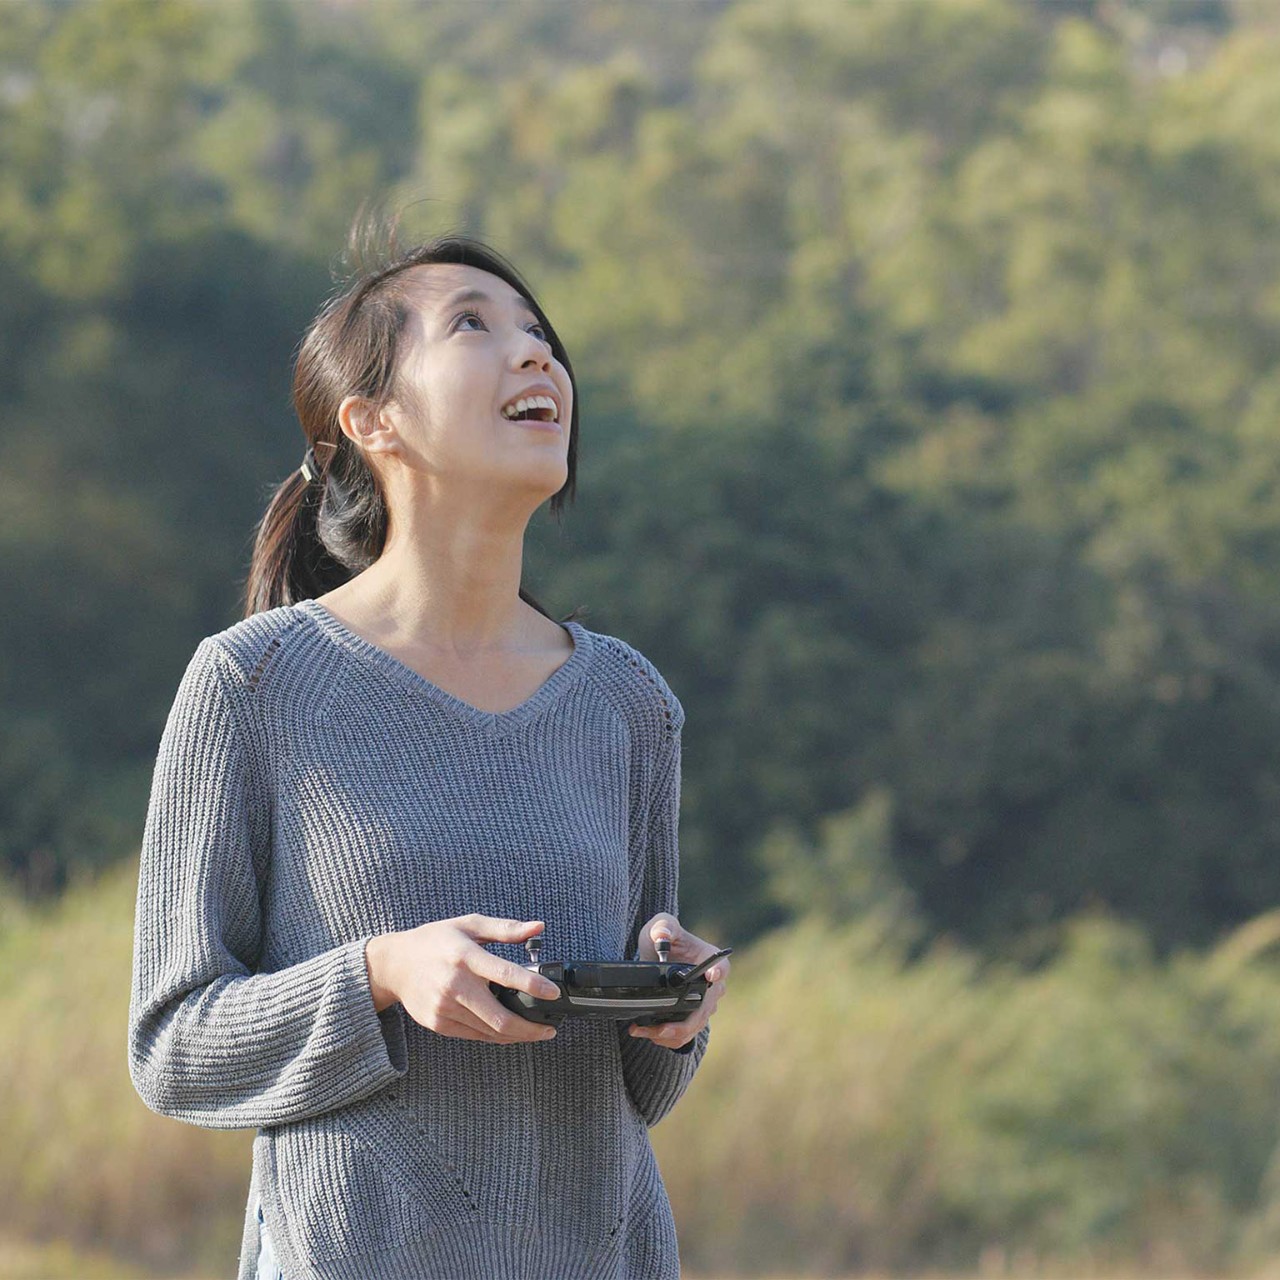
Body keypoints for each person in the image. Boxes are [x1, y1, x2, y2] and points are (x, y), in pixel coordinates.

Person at [126, 207, 730, 1280]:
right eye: (472, 326)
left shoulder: (626, 700)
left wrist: (672, 1015)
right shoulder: (253, 684)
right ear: (373, 422)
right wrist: (381, 973)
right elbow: (173, 1047)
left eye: (538, 331)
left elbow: (637, 1097)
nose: (534, 350)